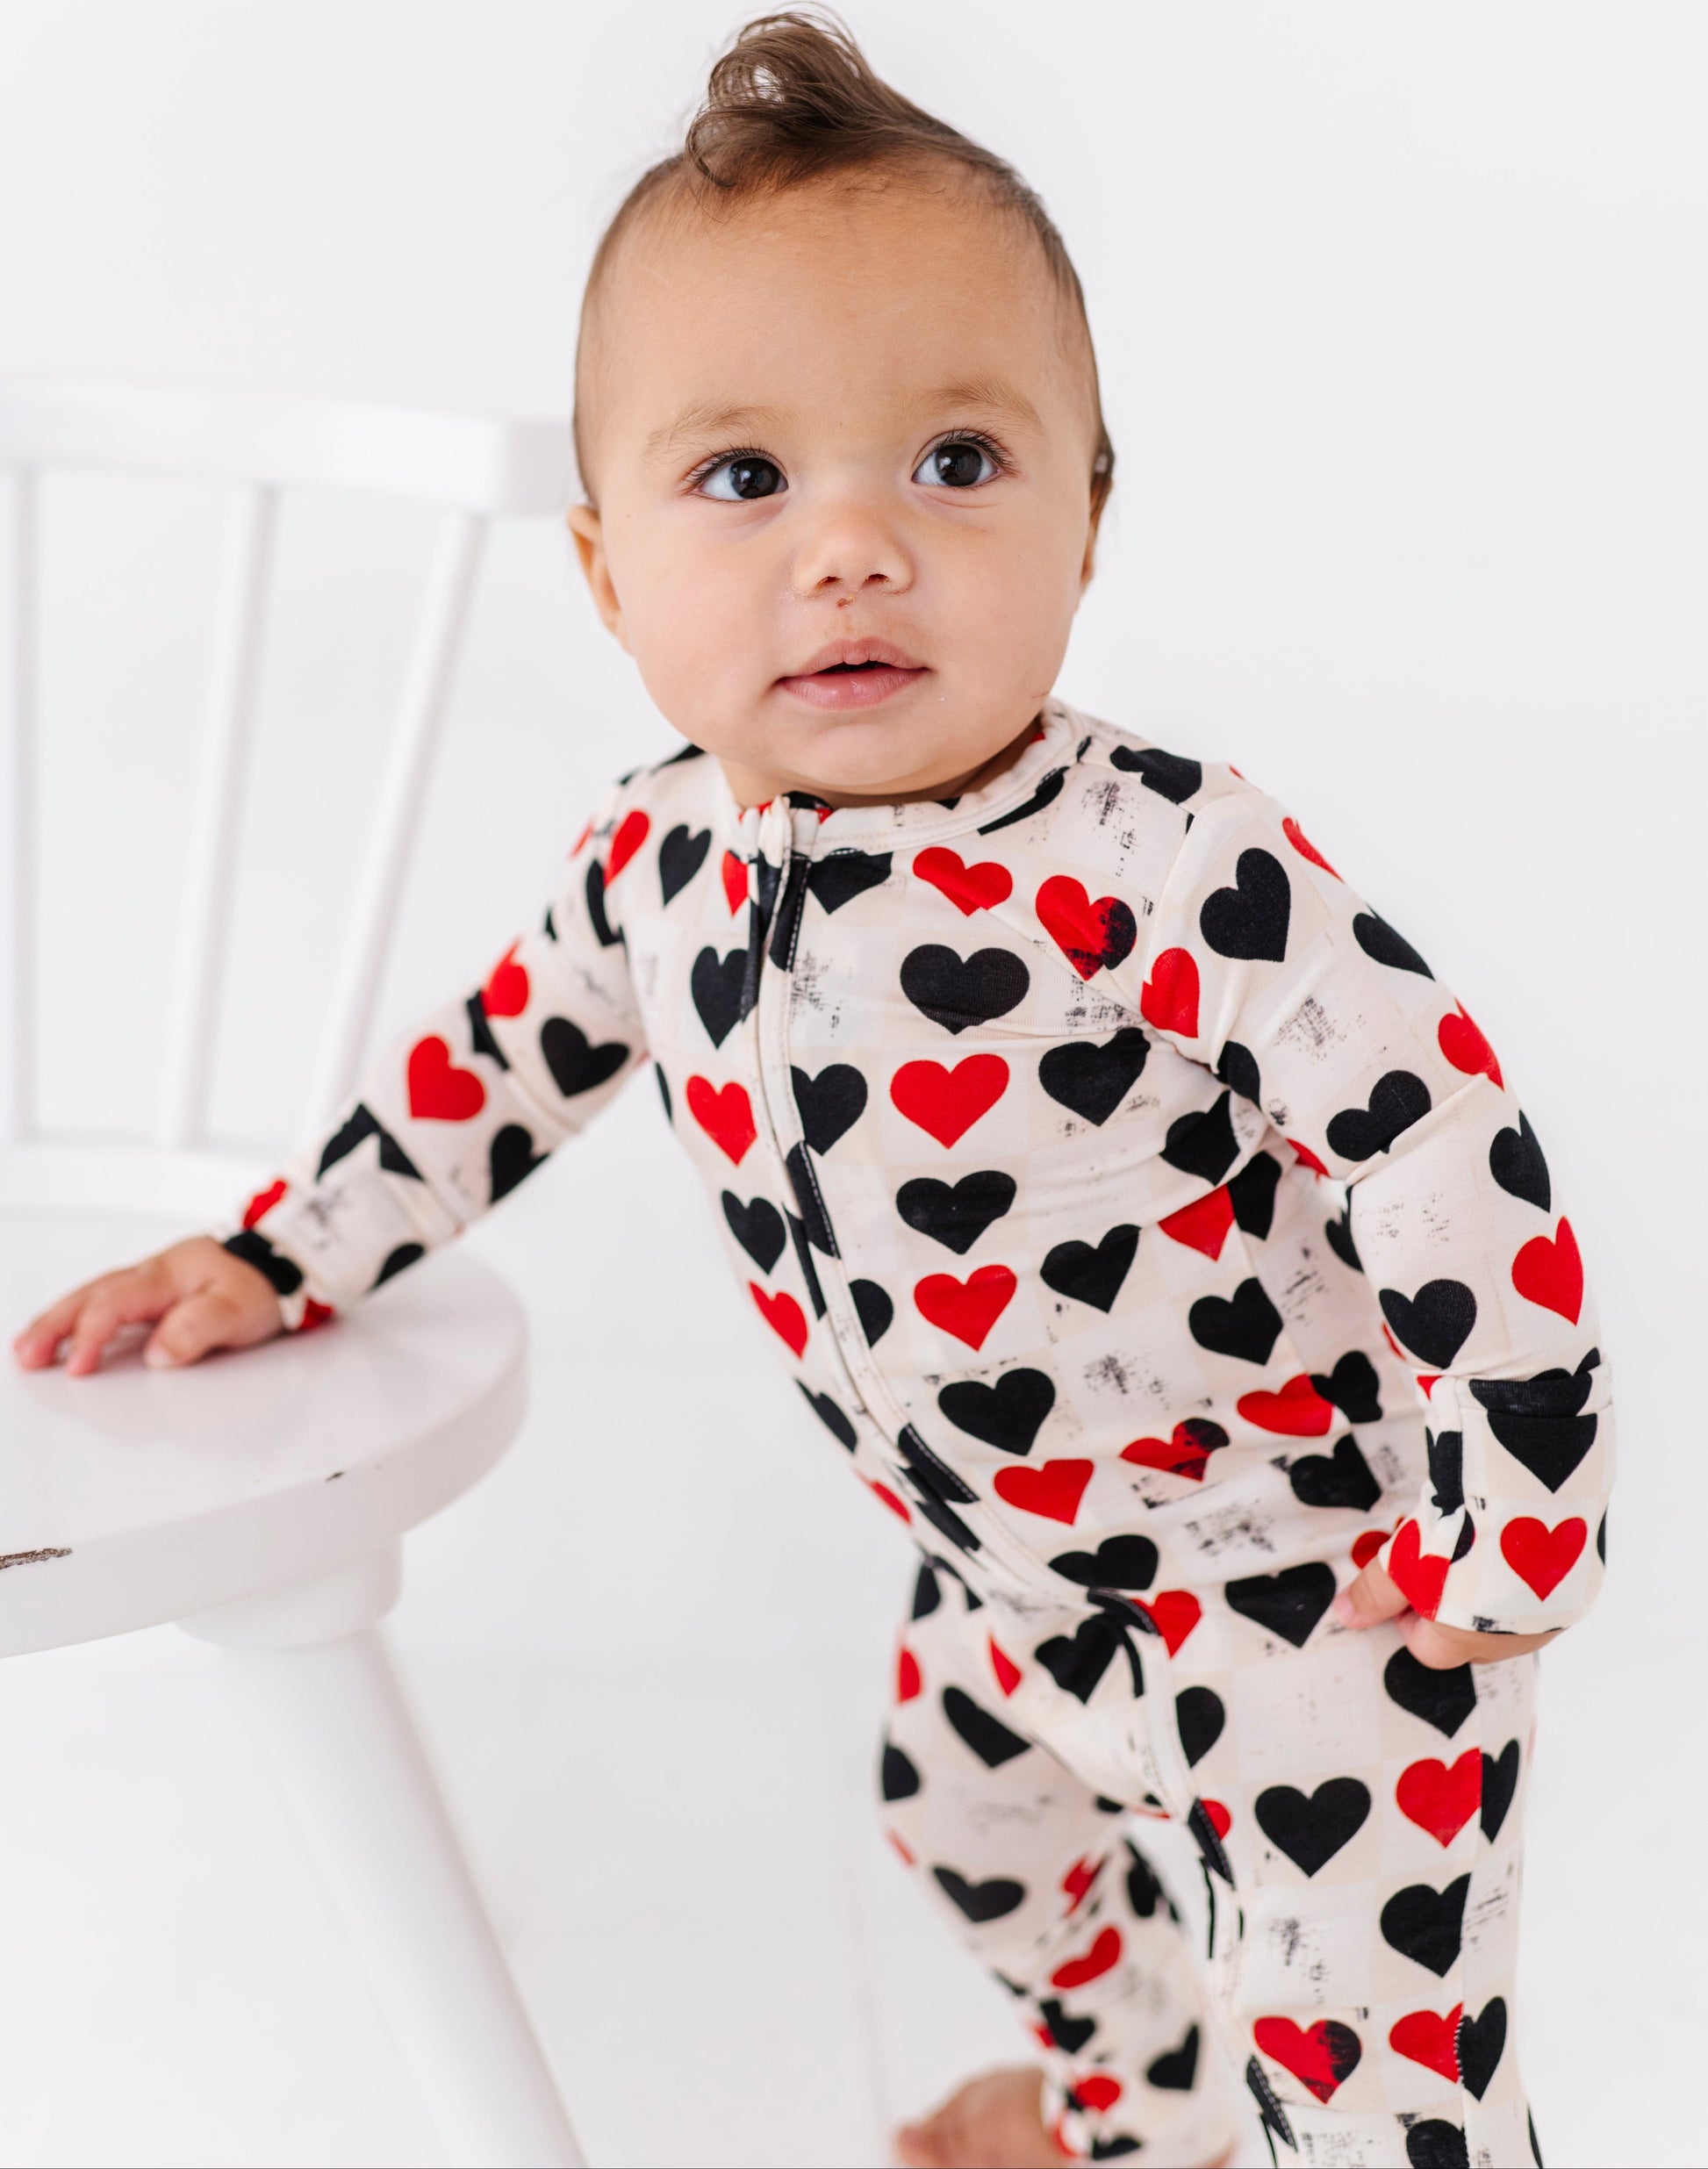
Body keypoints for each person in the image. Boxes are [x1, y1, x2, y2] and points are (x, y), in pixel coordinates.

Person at [11, 14, 1609, 2165]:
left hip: (1310, 1597)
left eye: (953, 461)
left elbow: (1434, 1143)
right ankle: (1142, 2109)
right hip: (1013, 1583)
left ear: (1089, 518)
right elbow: (491, 1074)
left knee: (1380, 2080)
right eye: (744, 479)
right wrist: (278, 1256)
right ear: (606, 575)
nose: (850, 546)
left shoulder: (1164, 862)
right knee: (961, 1817)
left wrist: (1519, 1506)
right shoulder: (653, 858)